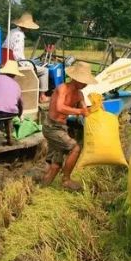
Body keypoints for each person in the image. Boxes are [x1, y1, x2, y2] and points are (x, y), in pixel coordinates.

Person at [41, 61, 98, 191]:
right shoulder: (62, 89)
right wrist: (79, 111)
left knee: (56, 165)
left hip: (62, 128)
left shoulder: (79, 94)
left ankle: (42, 189)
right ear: (75, 79)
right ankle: (66, 180)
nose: (85, 84)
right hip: (51, 127)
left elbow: (85, 111)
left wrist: (96, 108)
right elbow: (59, 107)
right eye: (83, 81)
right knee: (75, 148)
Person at [2, 12, 50, 103]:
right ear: (27, 27)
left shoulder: (12, 31)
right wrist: (28, 63)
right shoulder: (20, 36)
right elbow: (18, 55)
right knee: (44, 70)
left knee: (33, 63)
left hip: (8, 61)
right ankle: (43, 96)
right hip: (17, 64)